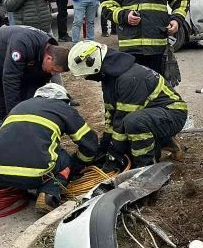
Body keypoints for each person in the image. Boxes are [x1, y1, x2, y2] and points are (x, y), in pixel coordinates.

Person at [0, 83, 97, 214]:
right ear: (64, 100)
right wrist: (78, 165)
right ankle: (48, 194)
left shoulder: (21, 106)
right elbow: (90, 143)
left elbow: (1, 132)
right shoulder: (64, 109)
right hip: (37, 178)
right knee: (64, 158)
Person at [68, 41, 185, 169]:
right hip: (152, 114)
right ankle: (165, 141)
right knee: (131, 128)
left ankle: (146, 167)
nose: (87, 78)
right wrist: (105, 146)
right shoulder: (110, 77)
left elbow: (123, 119)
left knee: (133, 123)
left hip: (173, 113)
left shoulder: (129, 79)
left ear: (93, 63)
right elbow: (111, 113)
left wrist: (114, 153)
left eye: (86, 75)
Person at [0, 25, 69, 122]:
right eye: (54, 70)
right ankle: (0, 128)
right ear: (49, 58)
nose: (53, 73)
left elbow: (37, 85)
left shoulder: (50, 52)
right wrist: (16, 117)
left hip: (14, 55)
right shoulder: (22, 44)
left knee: (26, 92)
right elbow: (10, 80)